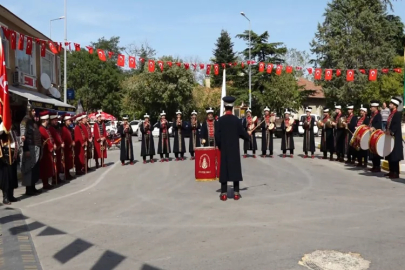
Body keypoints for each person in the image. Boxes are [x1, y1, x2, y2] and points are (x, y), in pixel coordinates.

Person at [215, 96, 250, 201]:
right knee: (235, 169)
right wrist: (248, 136)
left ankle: (224, 193)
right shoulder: (236, 120)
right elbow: (242, 133)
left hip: (225, 149)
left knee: (224, 169)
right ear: (233, 107)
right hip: (234, 149)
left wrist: (220, 145)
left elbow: (217, 136)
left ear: (225, 107)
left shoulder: (220, 121)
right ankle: (236, 193)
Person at [20, 103, 40, 195]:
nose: (34, 112)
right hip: (29, 147)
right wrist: (26, 149)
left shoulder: (32, 121)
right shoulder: (25, 121)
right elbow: (23, 136)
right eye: (32, 110)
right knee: (28, 168)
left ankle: (32, 186)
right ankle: (28, 189)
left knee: (34, 168)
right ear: (29, 111)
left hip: (34, 147)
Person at [385, 97, 403, 179]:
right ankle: (391, 171)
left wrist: (391, 131)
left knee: (395, 155)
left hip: (395, 137)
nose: (389, 105)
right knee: (390, 154)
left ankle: (396, 172)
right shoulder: (391, 113)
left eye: (391, 104)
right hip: (389, 136)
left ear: (395, 106)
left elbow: (396, 125)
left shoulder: (397, 114)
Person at [38, 111, 55, 189]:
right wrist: (51, 146)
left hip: (48, 151)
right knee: (45, 168)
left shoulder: (46, 129)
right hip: (45, 152)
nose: (48, 121)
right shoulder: (41, 129)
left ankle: (47, 182)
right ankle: (45, 183)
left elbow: (50, 138)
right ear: (44, 120)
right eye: (47, 119)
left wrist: (53, 144)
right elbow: (45, 141)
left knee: (48, 167)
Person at [48, 112, 64, 184]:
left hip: (58, 148)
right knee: (54, 164)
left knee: (57, 163)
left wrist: (61, 143)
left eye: (56, 120)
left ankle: (57, 176)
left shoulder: (56, 128)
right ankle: (54, 178)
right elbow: (51, 138)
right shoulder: (51, 128)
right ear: (51, 120)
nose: (56, 121)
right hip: (55, 148)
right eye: (54, 120)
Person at [368, 100, 382, 172]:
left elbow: (379, 125)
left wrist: (374, 127)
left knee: (376, 151)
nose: (371, 108)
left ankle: (377, 166)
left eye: (372, 107)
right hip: (371, 134)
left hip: (376, 135)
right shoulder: (372, 115)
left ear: (375, 107)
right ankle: (374, 165)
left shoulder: (378, 115)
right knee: (372, 150)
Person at [61, 114, 75, 180]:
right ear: (66, 121)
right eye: (69, 121)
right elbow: (64, 138)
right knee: (66, 161)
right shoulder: (63, 129)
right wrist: (69, 143)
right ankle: (66, 174)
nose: (70, 122)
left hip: (69, 147)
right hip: (66, 147)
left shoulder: (68, 128)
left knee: (69, 161)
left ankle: (68, 173)